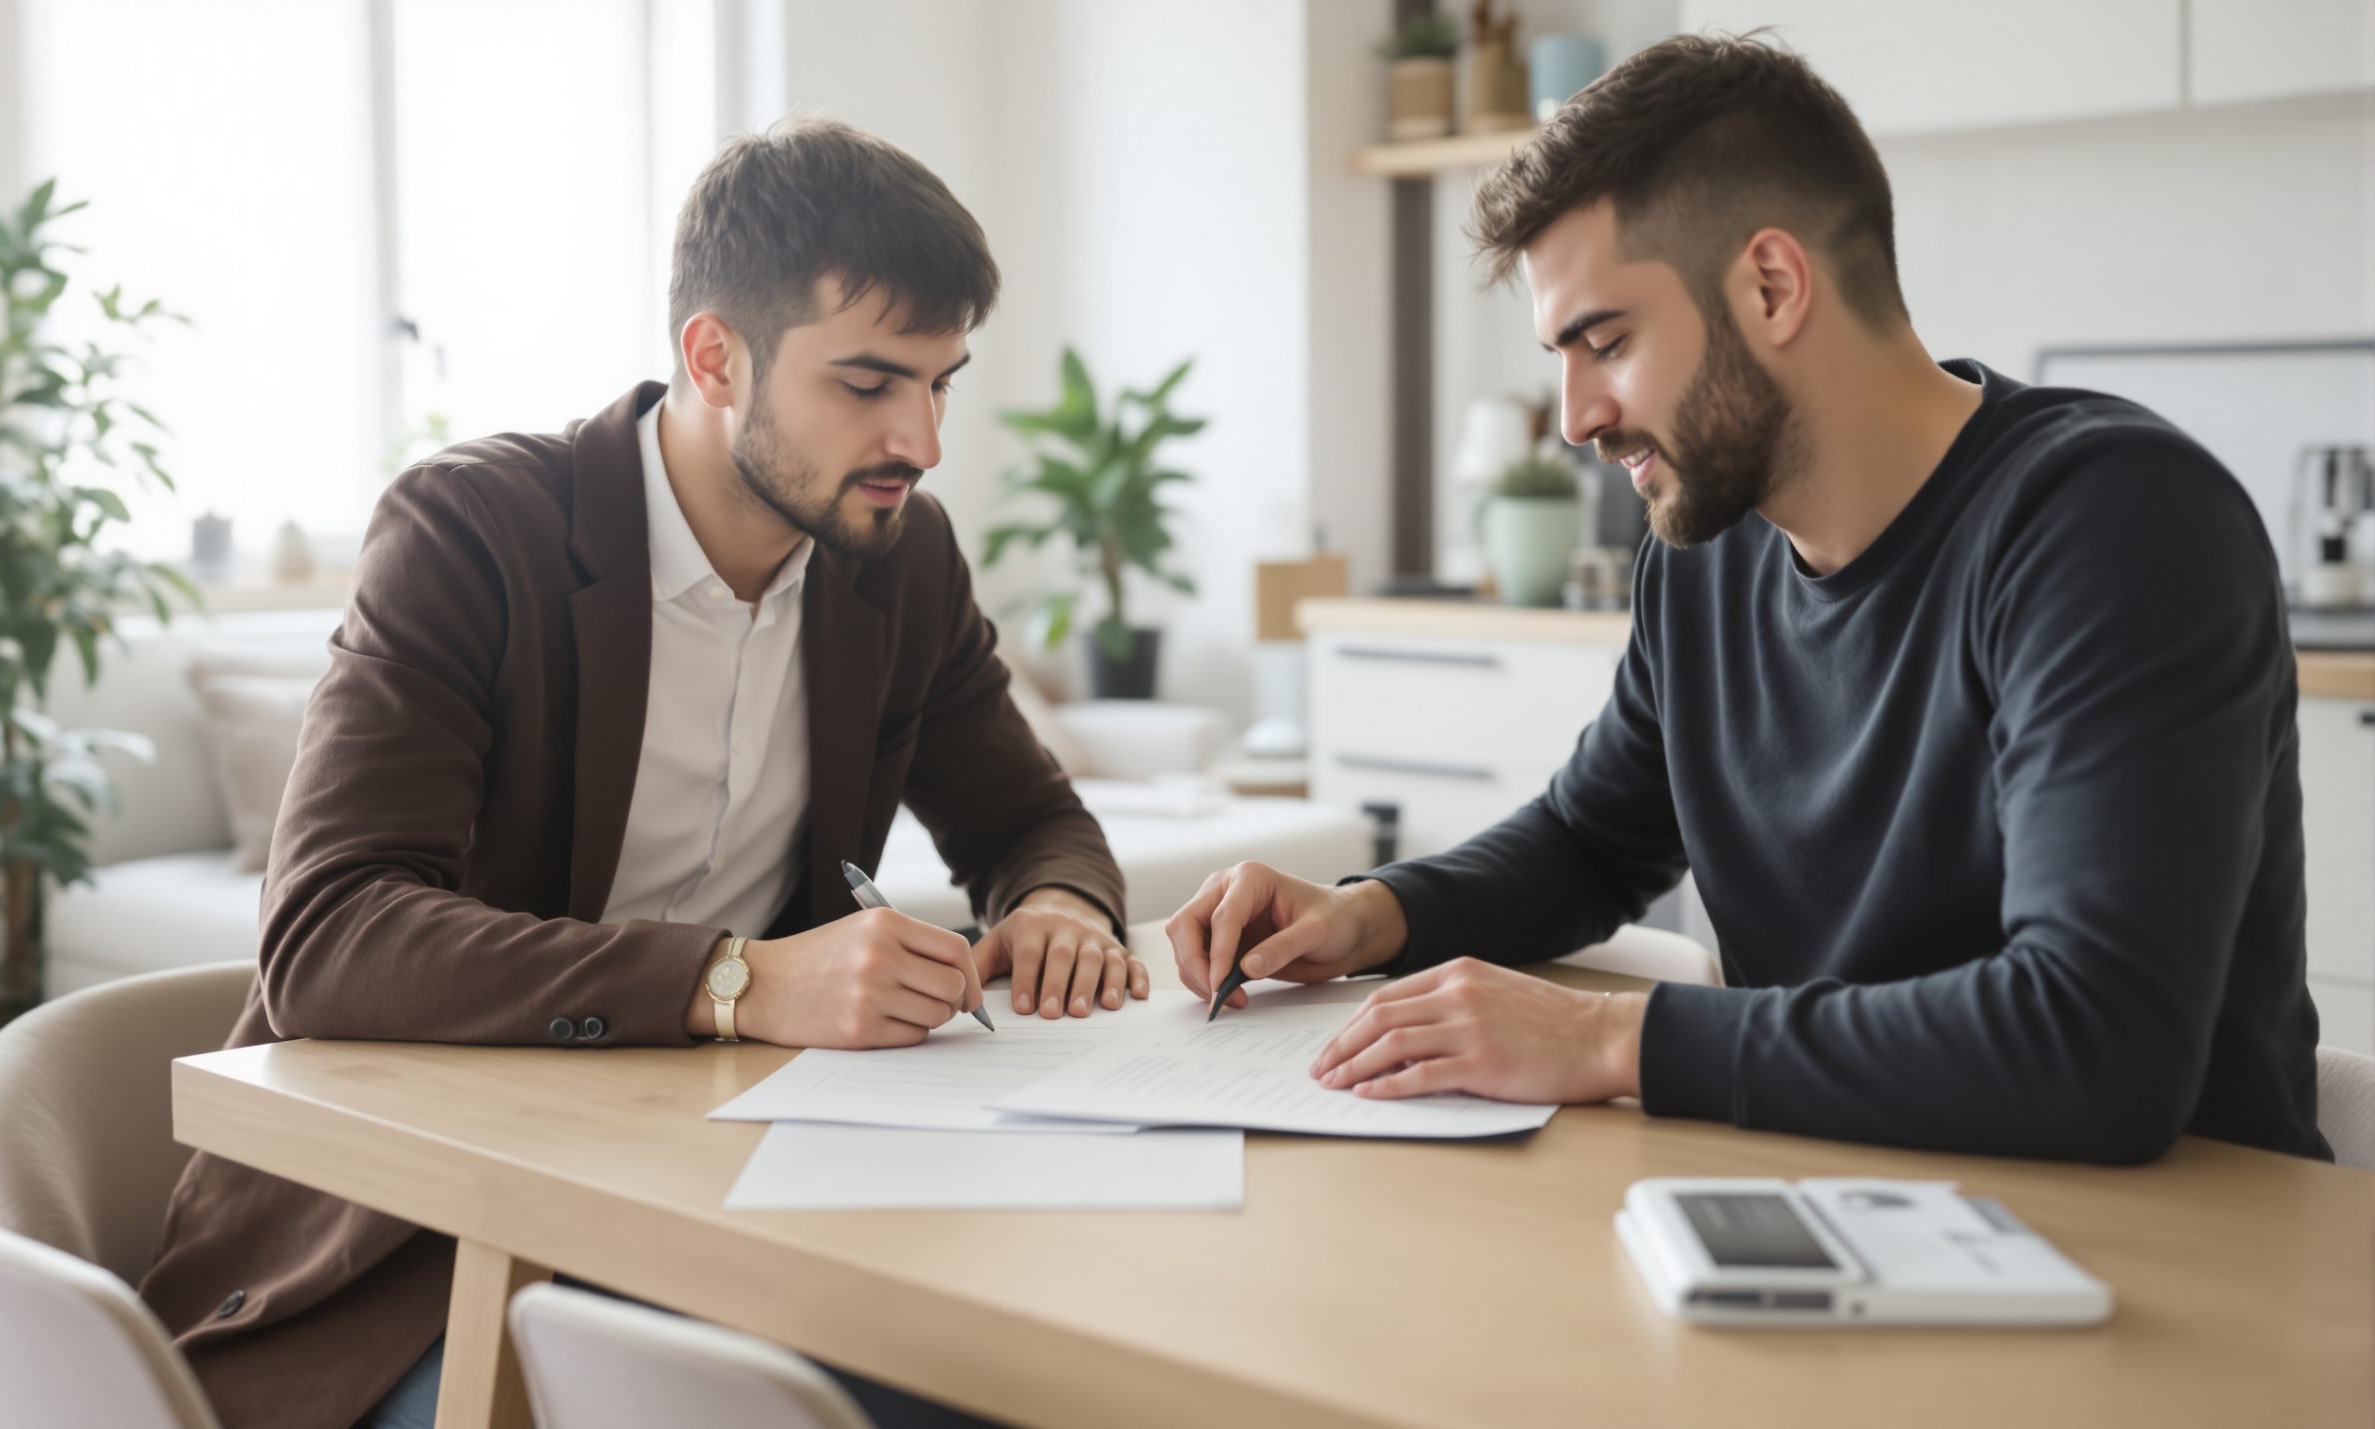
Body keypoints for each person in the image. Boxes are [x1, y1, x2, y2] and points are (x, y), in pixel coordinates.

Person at [139, 118, 1147, 1429]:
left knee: (1031, 1380)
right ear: (715, 357)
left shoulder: (899, 557)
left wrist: (1060, 906)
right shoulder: (472, 534)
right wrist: (741, 978)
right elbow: (330, 933)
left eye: (942, 382)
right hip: (426, 1237)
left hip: (734, 1198)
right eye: (868, 384)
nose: (924, 438)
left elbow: (1028, 817)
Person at [1168, 33, 2326, 1166]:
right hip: (1836, 1195)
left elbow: (2094, 1045)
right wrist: (1367, 914)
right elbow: (1589, 840)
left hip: (2177, 1266)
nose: (1574, 418)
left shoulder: (2112, 523)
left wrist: (1606, 1036)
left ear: (1771, 285)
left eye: (1604, 341)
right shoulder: (1703, 548)